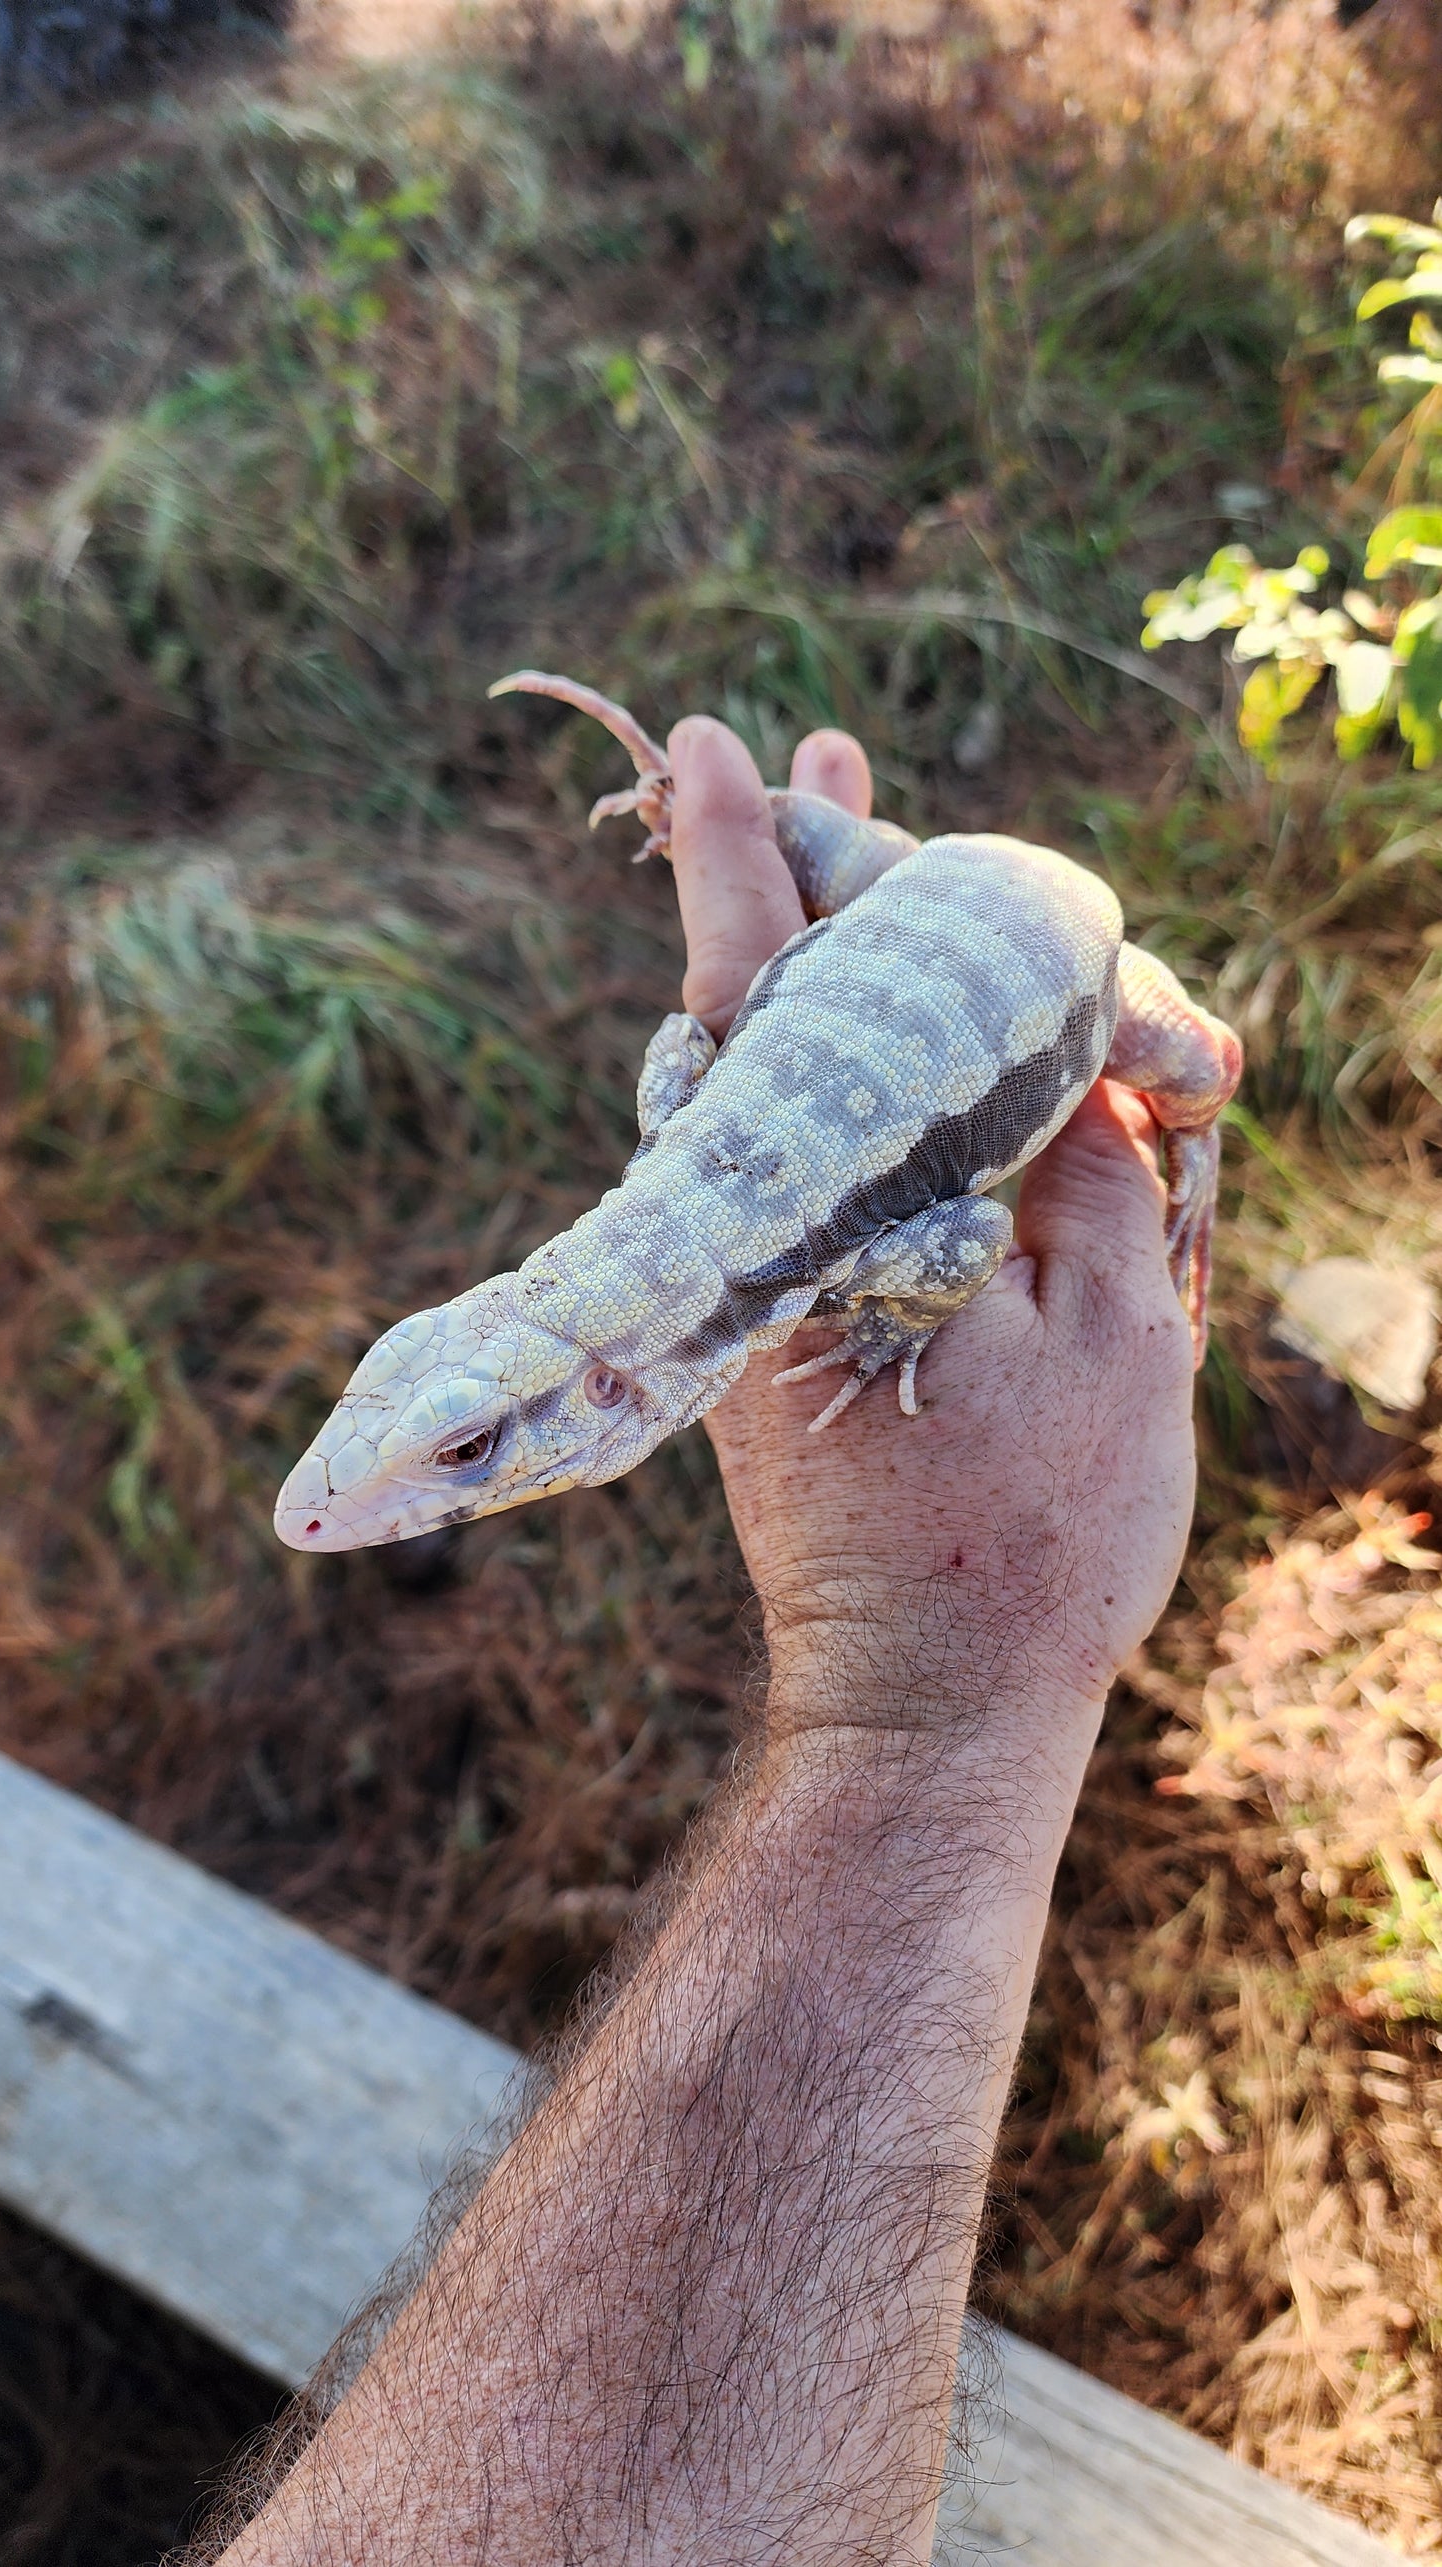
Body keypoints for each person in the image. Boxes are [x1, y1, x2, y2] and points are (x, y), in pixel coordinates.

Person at [213, 715, 1197, 2566]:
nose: (347, 1513)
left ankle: (1154, 1113)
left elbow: (951, 1229)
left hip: (1041, 940)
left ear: (599, 1389)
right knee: (819, 857)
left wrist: (916, 1347)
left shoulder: (806, 1248)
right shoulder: (685, 1142)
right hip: (952, 902)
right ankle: (786, 829)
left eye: (477, 1447)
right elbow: (701, 1055)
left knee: (1186, 1072)